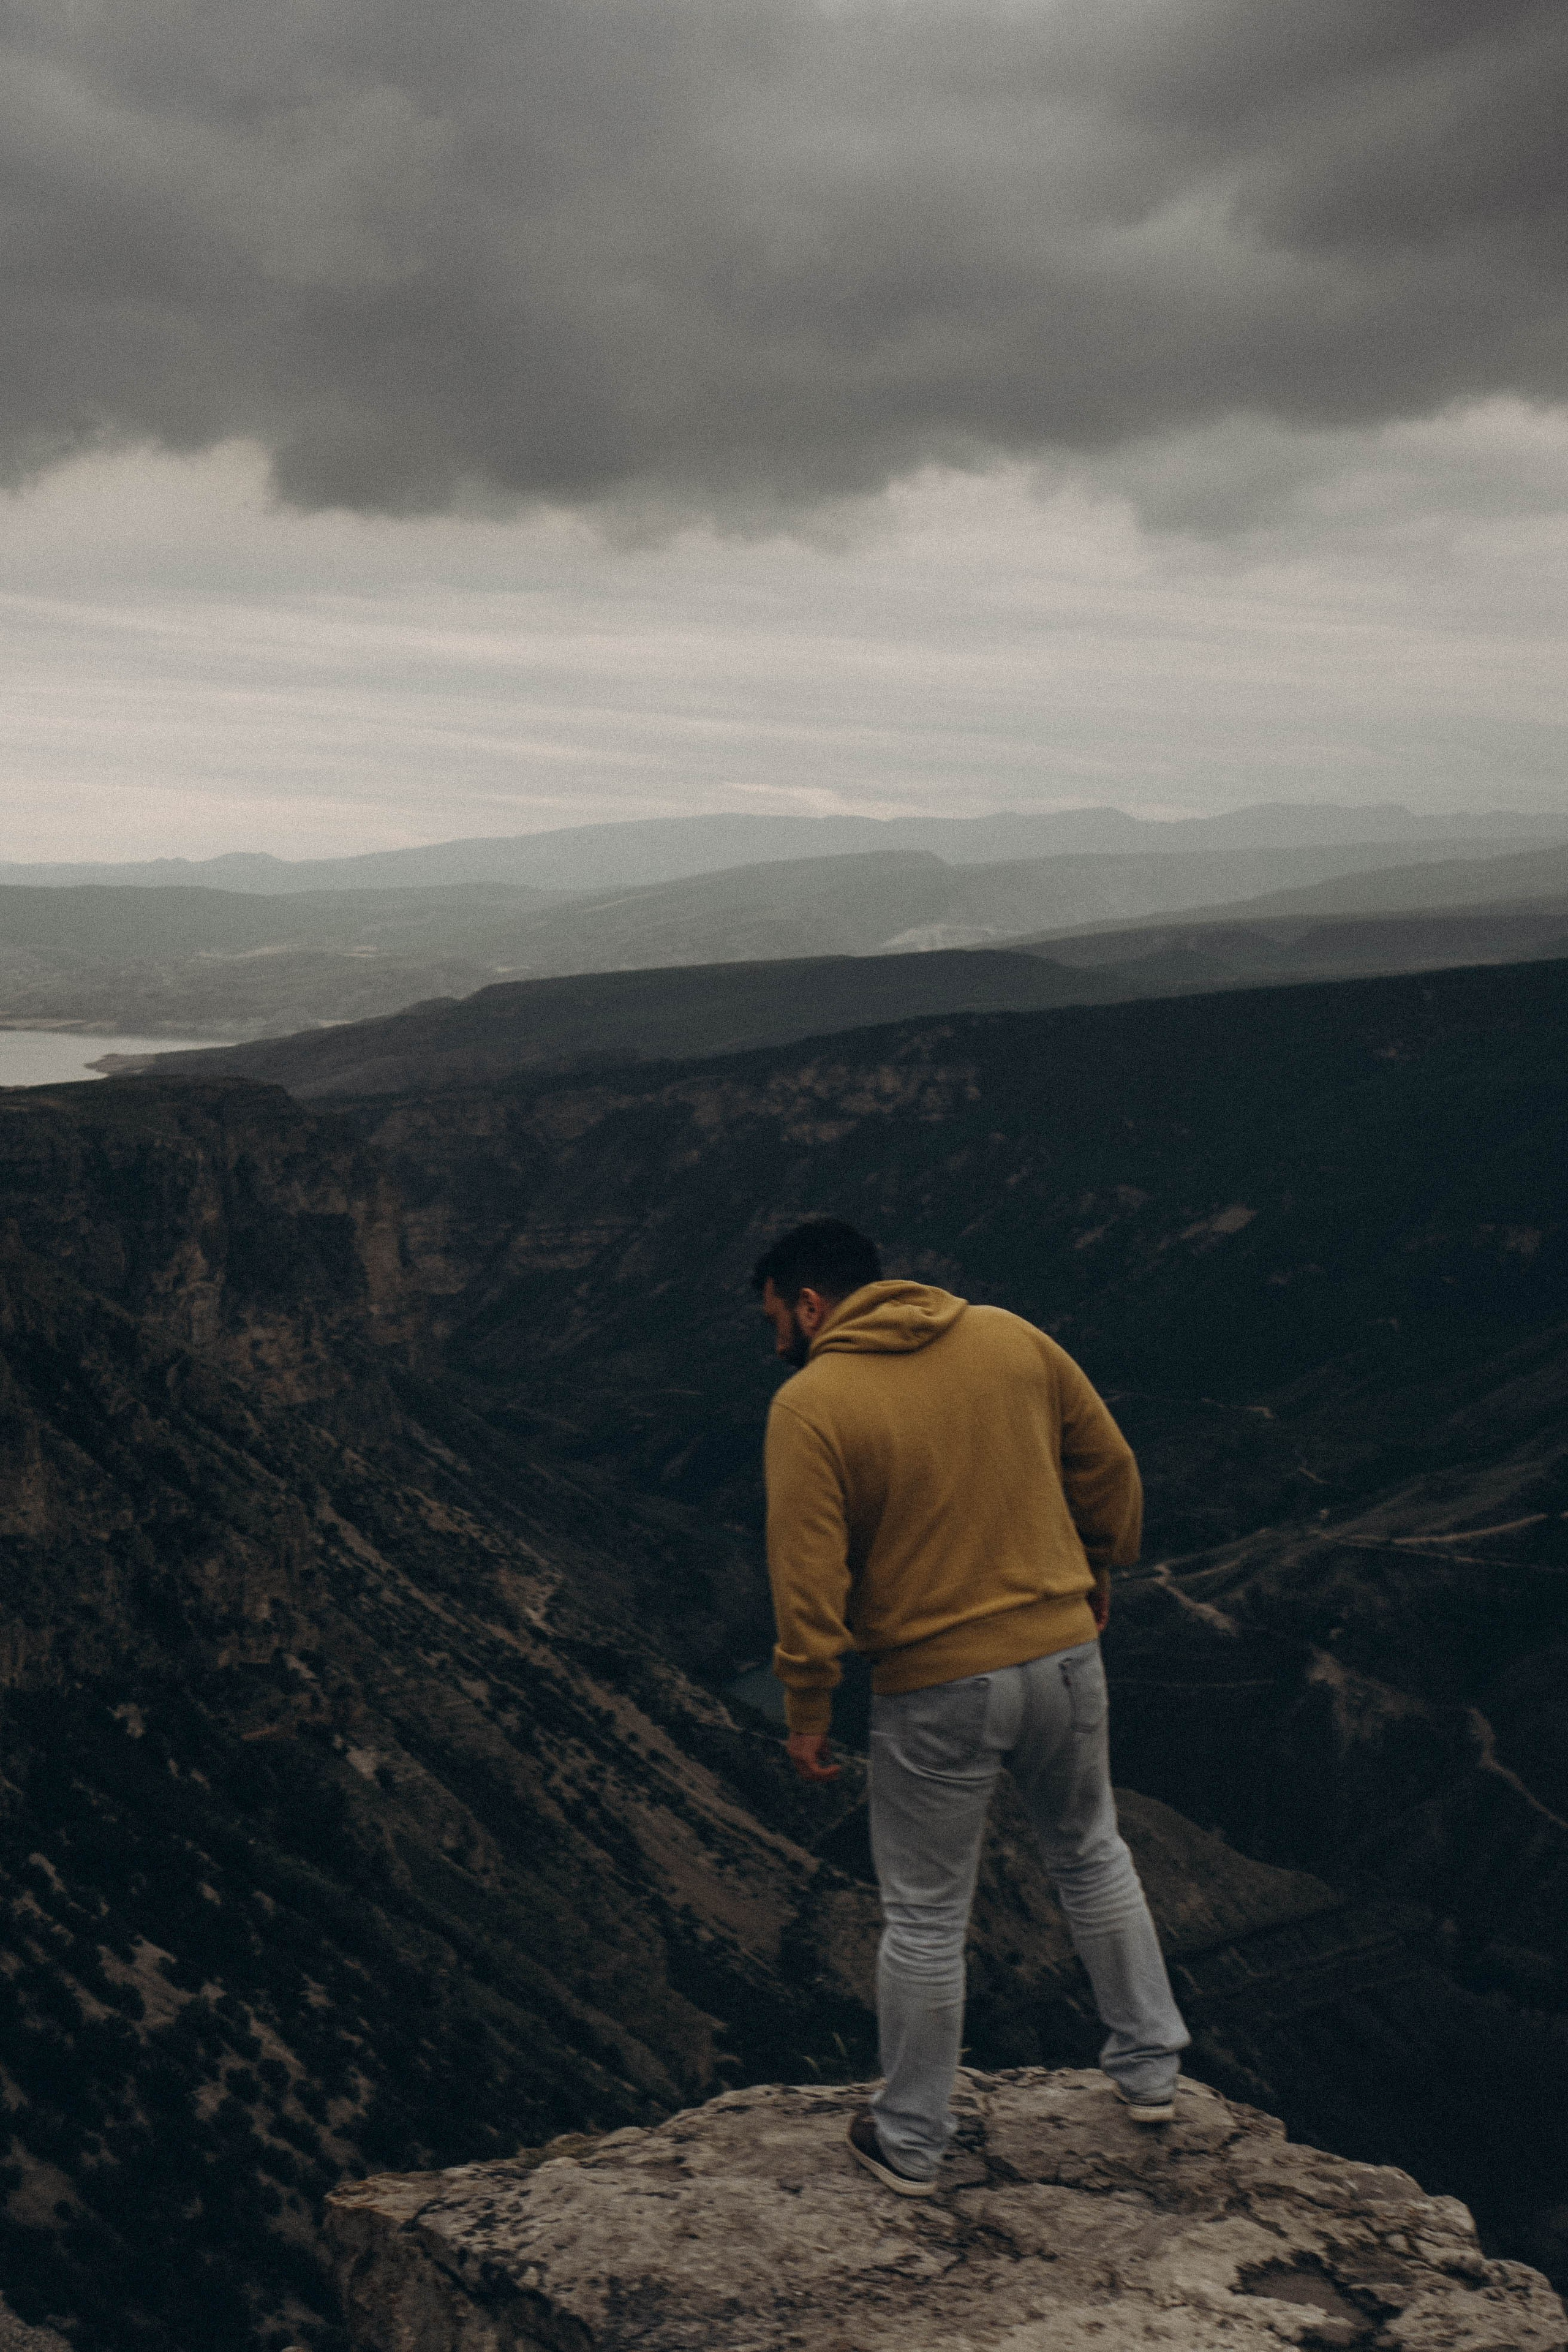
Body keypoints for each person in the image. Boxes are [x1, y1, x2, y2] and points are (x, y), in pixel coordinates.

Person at [754, 1217, 1189, 2198]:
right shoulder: (1007, 1334)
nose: (775, 1336)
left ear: (812, 1305)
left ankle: (910, 2135)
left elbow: (807, 1578)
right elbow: (1110, 1467)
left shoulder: (811, 1402)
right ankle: (1152, 2068)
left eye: (776, 1315)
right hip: (1065, 1653)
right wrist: (1099, 1563)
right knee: (1091, 1851)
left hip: (938, 1684)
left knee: (924, 1918)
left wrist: (809, 1702)